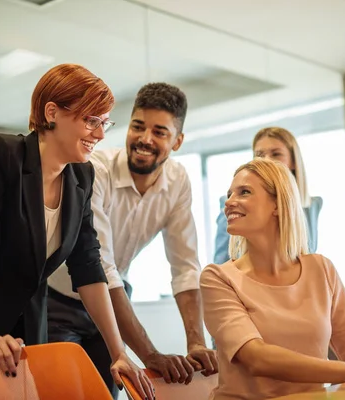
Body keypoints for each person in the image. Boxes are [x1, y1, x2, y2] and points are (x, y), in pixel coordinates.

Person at [0, 64, 155, 399]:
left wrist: (118, 353)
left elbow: (87, 265)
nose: (100, 134)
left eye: (104, 122)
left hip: (26, 324)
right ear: (52, 112)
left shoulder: (81, 178)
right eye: (91, 120)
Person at [47, 82, 218, 398]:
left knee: (109, 393)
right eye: (138, 126)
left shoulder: (178, 182)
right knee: (67, 392)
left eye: (159, 132)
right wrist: (150, 355)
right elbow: (101, 267)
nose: (145, 139)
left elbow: (185, 268)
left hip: (111, 300)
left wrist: (196, 341)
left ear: (177, 141)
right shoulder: (94, 169)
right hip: (57, 302)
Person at [200, 158, 345, 400]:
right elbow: (256, 358)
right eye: (229, 194)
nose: (229, 202)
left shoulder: (322, 269)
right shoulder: (217, 278)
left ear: (277, 204)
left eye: (244, 192)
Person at [213, 127, 322, 264]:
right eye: (259, 155)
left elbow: (306, 255)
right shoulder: (232, 204)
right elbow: (221, 260)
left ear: (294, 161)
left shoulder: (311, 205)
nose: (267, 160)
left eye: (276, 154)